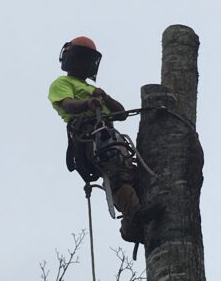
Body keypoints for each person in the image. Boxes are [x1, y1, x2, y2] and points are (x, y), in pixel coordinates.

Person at [48, 36, 162, 243]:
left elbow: (121, 114)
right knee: (115, 169)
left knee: (131, 174)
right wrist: (88, 103)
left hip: (107, 133)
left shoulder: (94, 90)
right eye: (81, 58)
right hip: (89, 135)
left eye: (87, 59)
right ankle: (135, 214)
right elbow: (68, 105)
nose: (84, 63)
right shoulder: (62, 83)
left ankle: (129, 227)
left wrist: (105, 97)